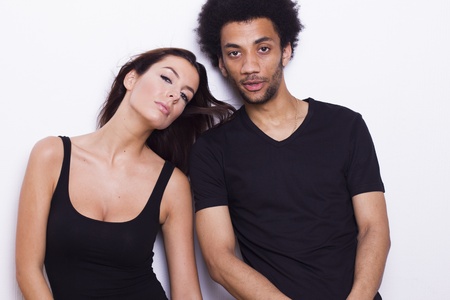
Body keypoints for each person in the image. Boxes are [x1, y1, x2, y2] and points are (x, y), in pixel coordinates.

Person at [189, 0, 391, 299]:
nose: (249, 67)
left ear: (286, 50)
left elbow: (375, 229)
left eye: (263, 48)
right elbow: (220, 260)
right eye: (234, 53)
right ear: (221, 63)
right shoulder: (211, 149)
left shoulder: (345, 125)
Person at [15, 47, 235, 300]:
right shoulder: (52, 155)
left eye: (185, 96)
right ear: (131, 78)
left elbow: (186, 293)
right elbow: (27, 271)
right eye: (166, 78)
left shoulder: (172, 185)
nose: (175, 94)